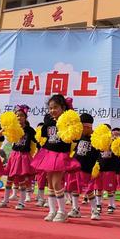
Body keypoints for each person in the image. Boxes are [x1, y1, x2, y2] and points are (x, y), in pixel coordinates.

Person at [31, 94, 80, 223]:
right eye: (50, 108)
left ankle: (62, 212)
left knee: (56, 183)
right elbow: (44, 135)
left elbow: (74, 137)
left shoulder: (69, 120)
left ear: (63, 108)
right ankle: (52, 211)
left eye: (56, 107)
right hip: (49, 152)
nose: (52, 110)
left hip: (60, 154)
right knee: (50, 184)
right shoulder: (48, 119)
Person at [0, 104, 36, 210]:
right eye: (17, 116)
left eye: (22, 115)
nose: (19, 118)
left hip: (23, 156)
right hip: (14, 155)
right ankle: (5, 200)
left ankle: (21, 202)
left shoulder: (30, 130)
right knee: (9, 179)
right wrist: (4, 128)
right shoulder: (12, 128)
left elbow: (37, 141)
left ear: (26, 117)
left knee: (22, 180)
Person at [66, 112, 100, 220]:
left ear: (88, 126)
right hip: (76, 167)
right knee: (74, 188)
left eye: (82, 127)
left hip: (87, 168)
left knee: (88, 190)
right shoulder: (79, 136)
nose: (80, 130)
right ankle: (75, 209)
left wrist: (96, 167)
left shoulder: (96, 138)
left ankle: (95, 211)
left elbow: (100, 154)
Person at [94, 124, 117, 214]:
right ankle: (98, 205)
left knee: (110, 189)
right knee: (98, 188)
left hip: (110, 168)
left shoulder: (114, 141)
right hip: (99, 168)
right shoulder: (97, 141)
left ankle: (111, 205)